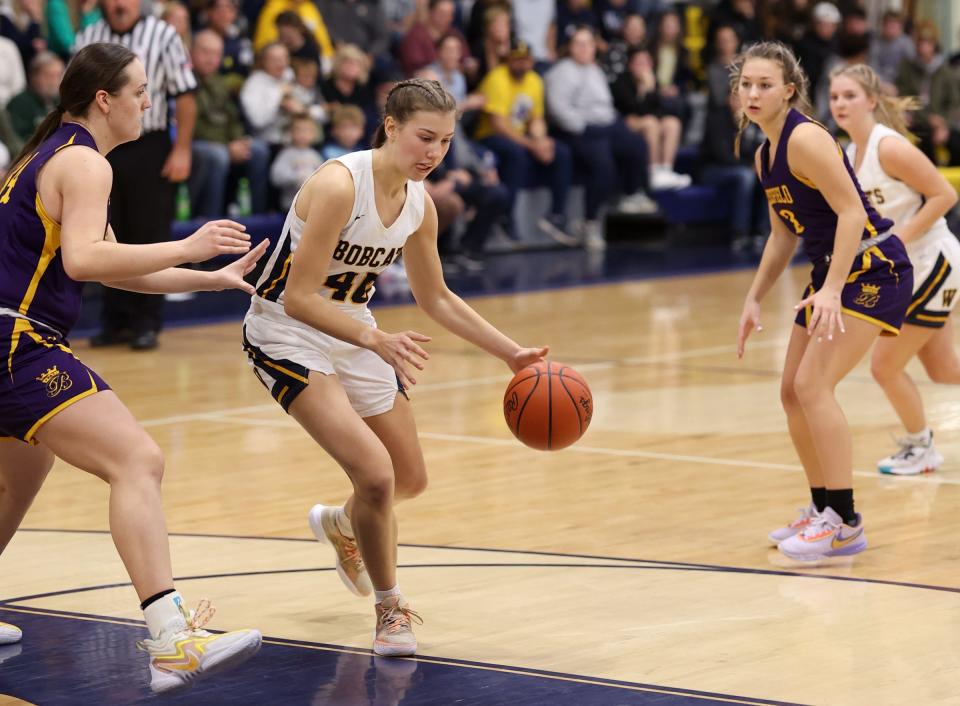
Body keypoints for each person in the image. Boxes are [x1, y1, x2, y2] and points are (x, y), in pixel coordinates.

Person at [240, 77, 547, 656]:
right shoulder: (338, 185)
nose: (434, 153)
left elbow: (437, 297)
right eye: (424, 138)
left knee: (409, 479)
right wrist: (374, 338)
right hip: (285, 333)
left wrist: (510, 353)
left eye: (446, 143)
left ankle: (341, 523)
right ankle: (390, 611)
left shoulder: (418, 203)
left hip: (355, 330)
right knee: (376, 477)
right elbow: (298, 298)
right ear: (390, 127)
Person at [0, 42, 265, 692]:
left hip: (7, 338)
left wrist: (208, 276)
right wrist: (192, 240)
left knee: (16, 481)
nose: (153, 101)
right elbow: (85, 263)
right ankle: (171, 639)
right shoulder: (86, 166)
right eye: (144, 89)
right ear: (104, 98)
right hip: (19, 343)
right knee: (138, 460)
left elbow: (118, 261)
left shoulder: (52, 155)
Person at [734, 42, 913, 561]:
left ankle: (846, 521)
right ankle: (821, 509)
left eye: (764, 84)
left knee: (814, 385)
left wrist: (831, 289)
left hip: (872, 265)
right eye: (746, 83)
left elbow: (853, 213)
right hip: (833, 271)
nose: (752, 93)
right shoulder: (765, 154)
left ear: (789, 91)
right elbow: (781, 236)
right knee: (791, 391)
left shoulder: (806, 138)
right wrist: (753, 298)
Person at [830, 64, 960, 475]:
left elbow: (944, 194)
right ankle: (921, 447)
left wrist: (898, 239)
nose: (840, 104)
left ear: (871, 100)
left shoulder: (890, 147)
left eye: (849, 95)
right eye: (834, 97)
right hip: (908, 269)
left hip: (932, 261)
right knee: (943, 370)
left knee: (884, 365)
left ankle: (921, 447)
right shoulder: (849, 155)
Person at [75, 0, 200, 351]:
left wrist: (182, 149)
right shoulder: (88, 34)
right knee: (108, 231)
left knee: (148, 231)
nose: (118, 4)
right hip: (102, 142)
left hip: (150, 144)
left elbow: (185, 95)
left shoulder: (163, 34)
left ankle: (146, 322)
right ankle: (114, 322)